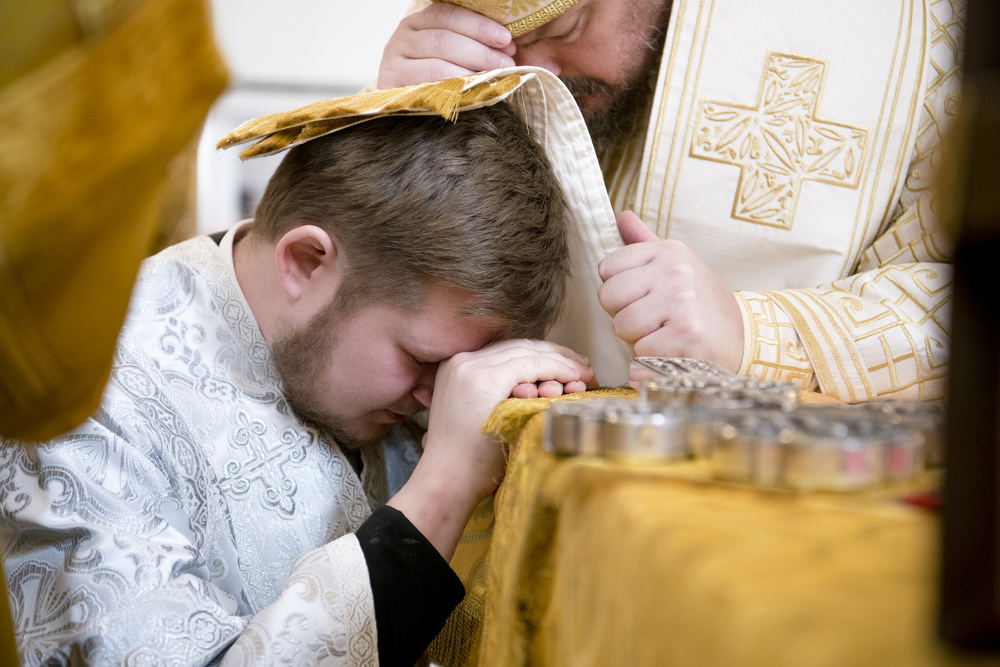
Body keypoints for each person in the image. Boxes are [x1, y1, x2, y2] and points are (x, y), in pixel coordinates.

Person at [0, 96, 595, 666]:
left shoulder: (390, 342)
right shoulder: (82, 401)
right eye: (423, 359)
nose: (444, 400)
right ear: (306, 261)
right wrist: (444, 487)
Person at [378, 0, 964, 403]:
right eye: (509, 41)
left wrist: (754, 333)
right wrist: (400, 117)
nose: (534, 74)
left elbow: (965, 308)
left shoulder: (938, 36)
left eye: (564, 29)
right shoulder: (495, 41)